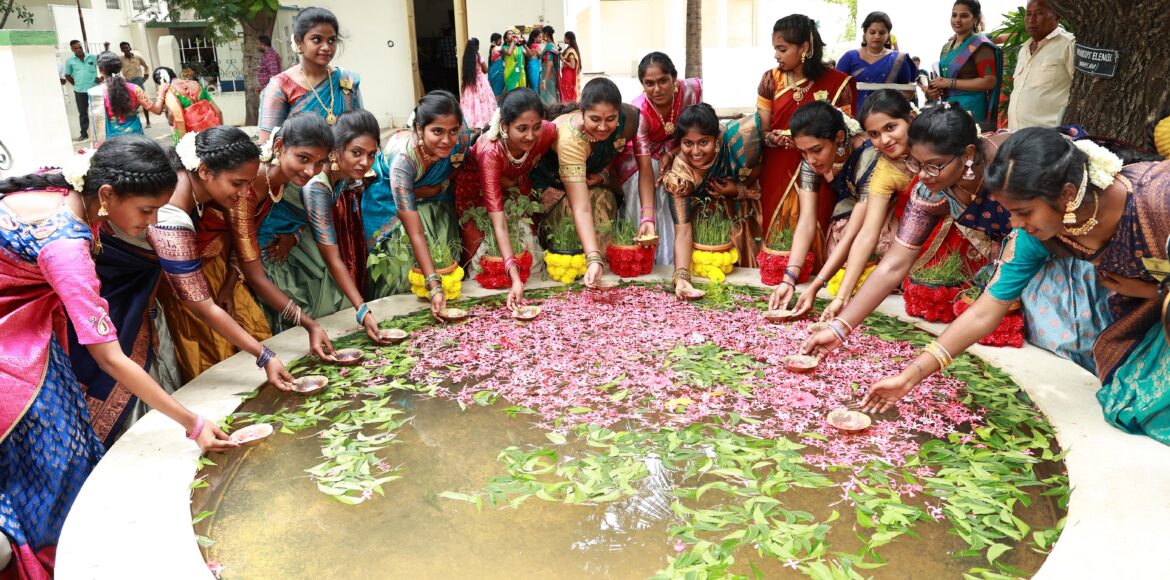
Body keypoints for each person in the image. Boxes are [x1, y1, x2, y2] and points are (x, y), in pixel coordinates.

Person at [0, 138, 234, 578]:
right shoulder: (67, 245)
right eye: (146, 212)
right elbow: (110, 358)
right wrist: (193, 423)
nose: (151, 226)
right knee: (59, 452)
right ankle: (53, 557)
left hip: (24, 318)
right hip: (12, 334)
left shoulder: (64, 190)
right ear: (105, 196)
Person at [860, 128, 1170, 445]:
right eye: (1009, 211)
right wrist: (910, 376)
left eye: (1022, 212)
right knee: (1132, 406)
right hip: (1144, 315)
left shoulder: (1158, 200)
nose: (1014, 223)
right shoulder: (1039, 234)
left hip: (1157, 306)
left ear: (1066, 194)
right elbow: (986, 309)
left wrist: (1154, 292)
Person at [802, 103, 1111, 373]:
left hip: (1071, 249)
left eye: (934, 165)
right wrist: (840, 328)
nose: (923, 175)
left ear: (968, 154)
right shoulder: (929, 192)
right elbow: (894, 265)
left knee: (1078, 333)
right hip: (1018, 261)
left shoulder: (1009, 170)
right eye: (916, 164)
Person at [161, 121, 335, 382]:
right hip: (187, 278)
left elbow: (240, 242)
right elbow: (250, 275)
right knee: (215, 355)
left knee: (254, 330)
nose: (312, 170)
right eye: (303, 158)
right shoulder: (178, 212)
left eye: (319, 163)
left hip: (217, 266)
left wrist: (230, 283)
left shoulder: (251, 185)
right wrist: (305, 326)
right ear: (278, 147)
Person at [793, 89, 917, 320]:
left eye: (891, 127)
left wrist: (822, 287)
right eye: (874, 133)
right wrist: (793, 280)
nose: (885, 140)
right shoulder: (884, 168)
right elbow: (861, 234)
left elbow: (861, 232)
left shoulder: (873, 155)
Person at [280, 109, 391, 344]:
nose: (365, 162)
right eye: (356, 153)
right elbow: (332, 258)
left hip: (301, 242)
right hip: (283, 254)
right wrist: (362, 311)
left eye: (371, 155)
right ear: (336, 150)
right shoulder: (317, 186)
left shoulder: (344, 175)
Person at [756, 14, 856, 272]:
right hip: (778, 166)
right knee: (775, 225)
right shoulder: (771, 79)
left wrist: (835, 169)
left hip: (822, 169)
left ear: (804, 48)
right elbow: (763, 130)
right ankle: (779, 273)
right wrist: (772, 138)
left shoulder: (839, 83)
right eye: (775, 49)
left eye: (782, 49)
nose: (776, 55)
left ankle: (817, 274)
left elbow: (846, 136)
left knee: (817, 218)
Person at [363, 91, 473, 306]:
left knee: (445, 258)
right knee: (401, 275)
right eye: (437, 131)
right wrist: (433, 285)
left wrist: (438, 187)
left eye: (453, 131)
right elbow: (414, 232)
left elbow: (455, 166)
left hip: (435, 201)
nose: (447, 140)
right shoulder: (404, 160)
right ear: (419, 130)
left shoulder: (462, 138)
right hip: (388, 205)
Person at [768, 100, 880, 310]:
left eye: (816, 150)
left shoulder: (869, 156)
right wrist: (789, 278)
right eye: (803, 152)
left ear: (839, 137)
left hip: (878, 220)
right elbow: (806, 221)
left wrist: (815, 286)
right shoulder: (811, 160)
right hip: (853, 213)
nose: (810, 159)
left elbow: (853, 233)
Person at [530, 77, 640, 287]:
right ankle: (591, 265)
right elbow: (580, 207)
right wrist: (593, 257)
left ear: (619, 113)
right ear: (582, 112)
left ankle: (600, 269)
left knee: (602, 197)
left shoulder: (629, 118)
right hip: (554, 189)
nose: (603, 126)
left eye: (610, 119)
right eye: (595, 118)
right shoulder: (570, 139)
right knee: (585, 210)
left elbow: (617, 156)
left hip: (593, 182)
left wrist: (604, 175)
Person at [454, 88, 557, 304]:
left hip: (516, 190)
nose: (531, 136)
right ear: (504, 126)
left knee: (530, 252)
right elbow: (497, 220)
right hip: (478, 197)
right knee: (488, 261)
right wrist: (515, 277)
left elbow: (561, 125)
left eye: (536, 127)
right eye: (522, 129)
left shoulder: (546, 132)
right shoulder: (491, 152)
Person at [661, 103, 764, 298]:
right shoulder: (679, 176)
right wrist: (682, 278)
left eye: (703, 142)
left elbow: (758, 166)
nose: (696, 151)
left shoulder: (739, 139)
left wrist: (737, 190)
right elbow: (682, 231)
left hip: (744, 216)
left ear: (716, 138)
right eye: (688, 143)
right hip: (706, 227)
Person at [616, 52, 702, 265]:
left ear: (674, 78)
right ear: (642, 85)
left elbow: (699, 127)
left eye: (663, 81)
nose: (657, 89)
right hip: (639, 159)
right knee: (654, 181)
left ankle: (683, 258)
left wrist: (673, 154)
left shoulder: (691, 91)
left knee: (682, 175)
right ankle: (653, 260)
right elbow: (645, 169)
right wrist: (647, 215)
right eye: (649, 83)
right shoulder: (640, 113)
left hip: (682, 149)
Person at [258, 7, 362, 143]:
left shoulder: (347, 79)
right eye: (317, 39)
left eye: (331, 40)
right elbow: (267, 146)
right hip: (302, 163)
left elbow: (361, 131)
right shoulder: (280, 86)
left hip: (344, 163)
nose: (326, 47)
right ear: (299, 42)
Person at [927, 0, 1003, 128]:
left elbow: (990, 81)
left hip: (972, 109)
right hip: (948, 109)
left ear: (976, 19)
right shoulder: (947, 47)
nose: (957, 20)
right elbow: (943, 80)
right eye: (954, 15)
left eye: (964, 16)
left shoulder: (980, 45)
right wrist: (934, 90)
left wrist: (949, 83)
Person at [1006, 0, 1075, 129]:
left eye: (1039, 14)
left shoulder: (1068, 44)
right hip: (1016, 135)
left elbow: (1079, 94)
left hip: (1047, 138)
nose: (1031, 20)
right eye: (1028, 14)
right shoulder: (1024, 49)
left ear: (1056, 16)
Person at [834, 12, 917, 113]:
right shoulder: (850, 57)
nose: (877, 36)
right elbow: (837, 90)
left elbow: (906, 93)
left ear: (888, 35)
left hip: (887, 117)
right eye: (872, 32)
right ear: (865, 34)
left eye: (882, 33)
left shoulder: (899, 60)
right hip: (853, 119)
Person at [86, 51, 168, 146]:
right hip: (136, 140)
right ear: (120, 67)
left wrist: (93, 147)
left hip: (111, 144)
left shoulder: (96, 93)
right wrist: (161, 93)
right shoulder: (135, 89)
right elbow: (157, 110)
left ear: (100, 70)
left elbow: (95, 125)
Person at [154, 66, 222, 144]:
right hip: (210, 135)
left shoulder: (170, 92)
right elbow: (218, 112)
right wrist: (221, 133)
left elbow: (171, 117)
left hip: (189, 140)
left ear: (161, 83)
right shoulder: (197, 84)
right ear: (174, 75)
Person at [63, 40, 98, 142]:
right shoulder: (70, 61)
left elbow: (103, 68)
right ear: (72, 49)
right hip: (79, 91)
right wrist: (76, 84)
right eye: (75, 48)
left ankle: (100, 131)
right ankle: (84, 134)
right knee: (83, 113)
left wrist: (100, 78)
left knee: (97, 111)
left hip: (94, 89)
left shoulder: (92, 57)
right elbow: (67, 75)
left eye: (80, 47)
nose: (78, 50)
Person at [459, 37, 498, 129]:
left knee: (471, 102)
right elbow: (486, 69)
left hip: (469, 82)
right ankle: (483, 122)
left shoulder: (466, 58)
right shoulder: (478, 56)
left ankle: (472, 123)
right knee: (483, 101)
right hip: (480, 82)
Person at [118, 42, 152, 128]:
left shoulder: (137, 58)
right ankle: (132, 122)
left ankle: (148, 122)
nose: (125, 49)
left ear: (129, 48)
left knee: (143, 100)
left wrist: (145, 76)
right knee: (131, 102)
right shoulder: (120, 59)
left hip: (138, 81)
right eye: (123, 48)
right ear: (121, 50)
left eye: (126, 47)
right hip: (128, 82)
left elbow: (146, 66)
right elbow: (115, 68)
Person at [538, 25, 561, 106]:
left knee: (547, 97)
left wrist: (544, 80)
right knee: (551, 95)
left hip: (548, 76)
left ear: (546, 34)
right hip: (551, 75)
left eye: (543, 34)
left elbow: (550, 63)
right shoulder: (554, 46)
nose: (542, 36)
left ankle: (550, 115)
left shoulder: (549, 47)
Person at [559, 31, 582, 102]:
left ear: (568, 39)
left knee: (567, 90)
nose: (564, 39)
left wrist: (564, 61)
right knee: (565, 90)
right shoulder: (569, 49)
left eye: (565, 38)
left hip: (568, 74)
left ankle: (569, 106)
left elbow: (572, 66)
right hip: (566, 73)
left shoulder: (571, 51)